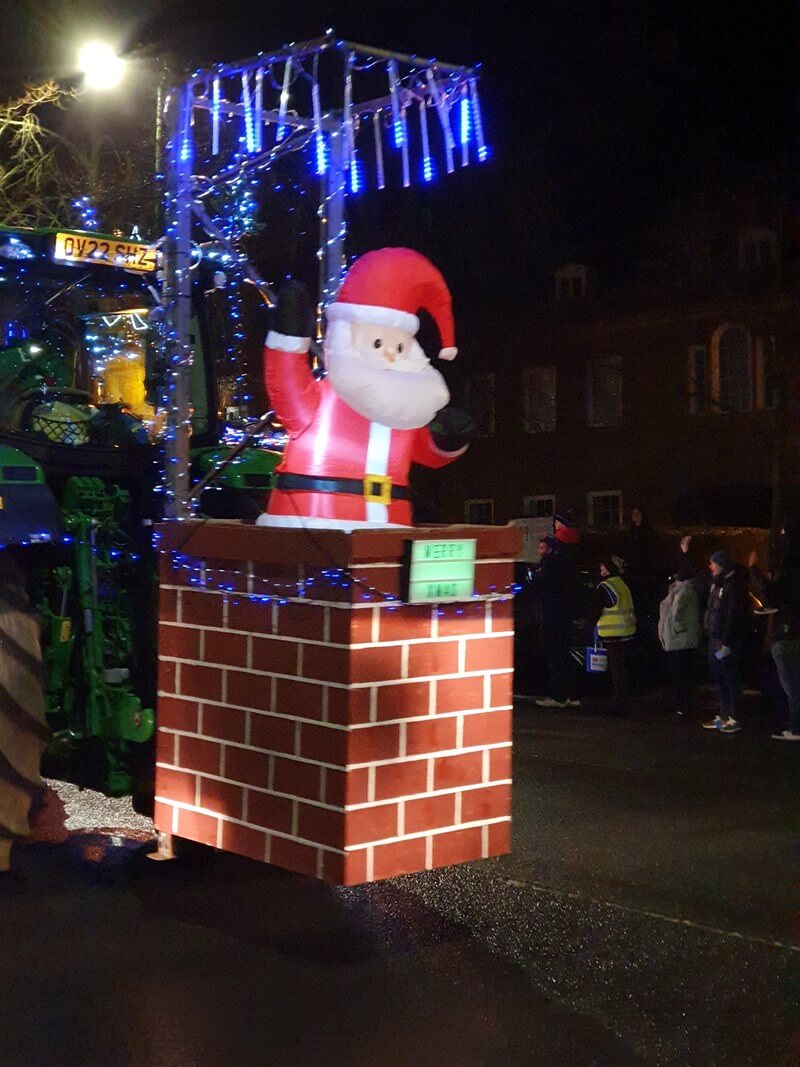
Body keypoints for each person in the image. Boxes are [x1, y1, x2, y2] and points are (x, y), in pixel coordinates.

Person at [749, 528, 800, 741]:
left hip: (787, 633)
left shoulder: (791, 569)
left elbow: (774, 593)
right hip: (791, 631)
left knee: (792, 685)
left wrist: (754, 570)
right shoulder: (791, 570)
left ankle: (796, 728)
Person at [702, 550, 750, 734]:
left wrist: (726, 639)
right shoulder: (718, 583)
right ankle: (724, 715)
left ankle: (734, 716)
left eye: (713, 563)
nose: (710, 567)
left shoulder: (733, 585)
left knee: (729, 676)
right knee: (718, 675)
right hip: (715, 636)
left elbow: (732, 615)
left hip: (724, 639)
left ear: (721, 564)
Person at [530, 536, 580, 708]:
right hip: (562, 617)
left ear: (549, 549)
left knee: (554, 657)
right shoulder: (564, 565)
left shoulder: (547, 566)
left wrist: (533, 576)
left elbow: (538, 586)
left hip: (551, 617)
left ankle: (558, 696)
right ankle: (570, 695)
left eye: (542, 548)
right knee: (565, 656)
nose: (539, 551)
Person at [594, 557, 637, 713]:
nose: (601, 568)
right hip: (627, 631)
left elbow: (596, 609)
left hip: (612, 633)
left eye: (603, 565)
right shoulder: (622, 584)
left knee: (616, 669)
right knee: (622, 668)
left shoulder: (605, 586)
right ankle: (623, 698)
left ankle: (618, 702)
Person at [658, 566, 702, 714]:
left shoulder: (675, 590)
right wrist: (679, 628)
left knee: (677, 674)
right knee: (684, 674)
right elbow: (677, 612)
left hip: (673, 639)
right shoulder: (687, 591)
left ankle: (679, 704)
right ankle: (683, 705)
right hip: (683, 639)